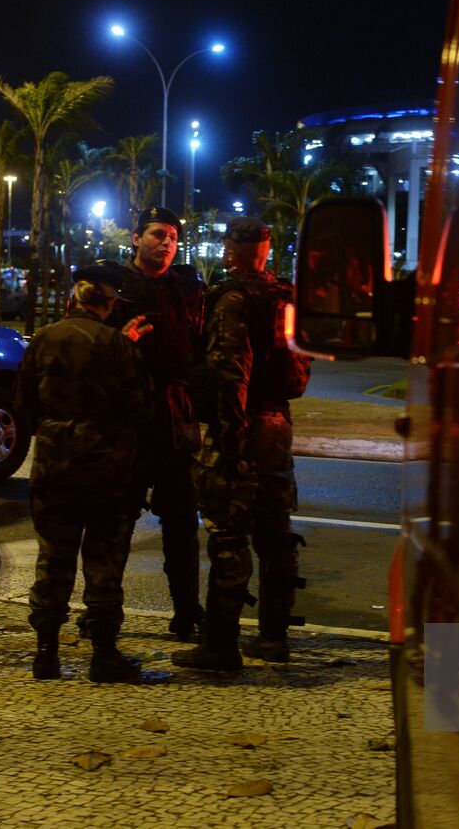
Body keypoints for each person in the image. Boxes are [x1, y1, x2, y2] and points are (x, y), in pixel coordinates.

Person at [175, 216, 306, 671]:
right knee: (276, 531)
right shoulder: (286, 297)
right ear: (267, 250)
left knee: (229, 534)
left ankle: (220, 646)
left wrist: (230, 443)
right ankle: (274, 637)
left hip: (245, 424)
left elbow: (231, 372)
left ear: (234, 251)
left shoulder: (233, 299)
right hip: (278, 424)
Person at [15, 265, 154, 682]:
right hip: (106, 468)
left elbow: (24, 404)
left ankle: (46, 654)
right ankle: (104, 656)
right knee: (104, 562)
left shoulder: (43, 340)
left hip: (54, 464)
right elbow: (141, 407)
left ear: (75, 301)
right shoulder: (118, 344)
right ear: (107, 304)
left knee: (53, 558)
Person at [103, 206, 207, 641]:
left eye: (173, 237)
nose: (166, 243)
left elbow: (201, 348)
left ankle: (187, 612)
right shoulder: (112, 287)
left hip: (173, 419)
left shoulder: (185, 289)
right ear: (136, 238)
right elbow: (89, 347)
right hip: (127, 422)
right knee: (116, 522)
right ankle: (104, 613)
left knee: (182, 523)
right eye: (158, 234)